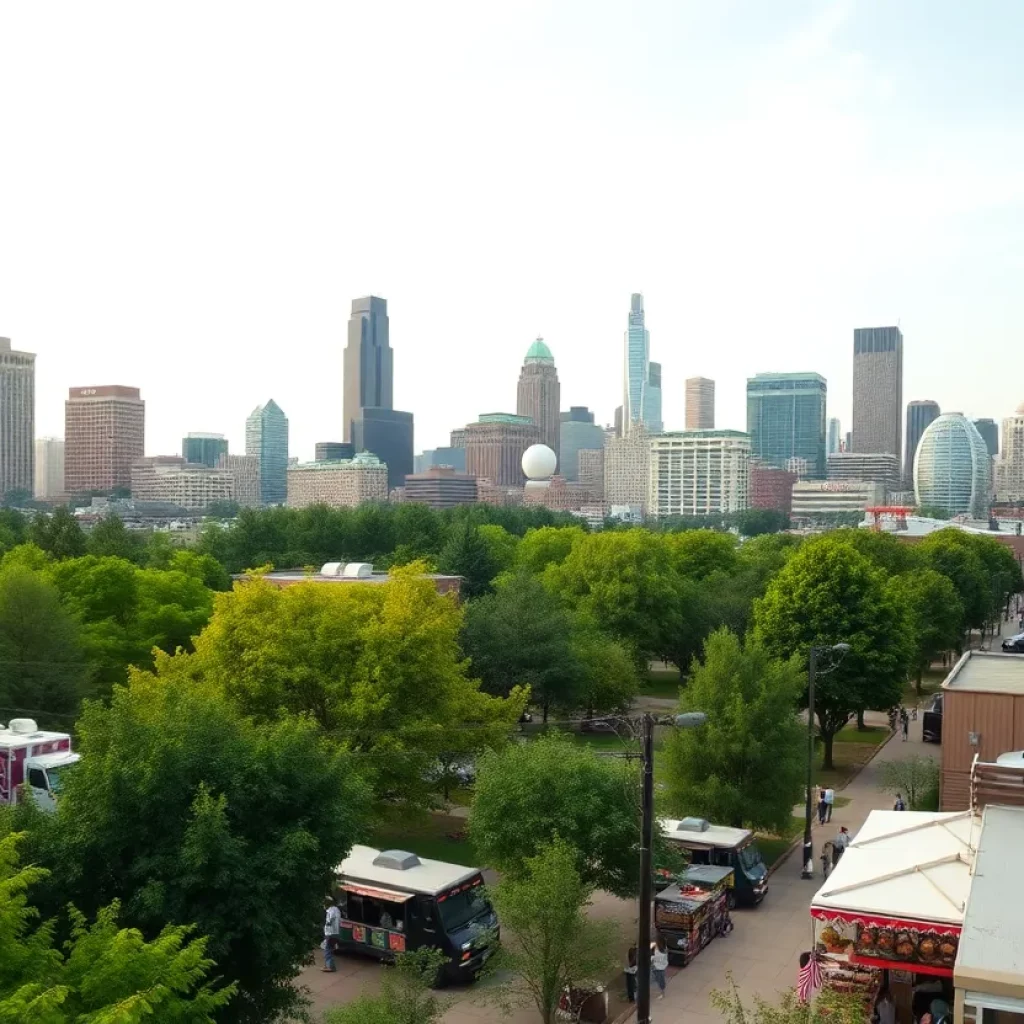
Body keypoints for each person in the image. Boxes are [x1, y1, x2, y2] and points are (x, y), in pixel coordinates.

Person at [322, 897, 341, 972]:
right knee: (330, 949)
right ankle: (329, 965)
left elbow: (330, 920)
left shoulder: (330, 911)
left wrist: (327, 925)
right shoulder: (337, 910)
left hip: (330, 933)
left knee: (327, 950)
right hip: (336, 933)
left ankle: (330, 967)